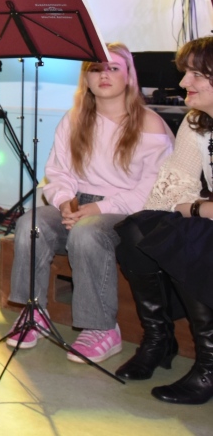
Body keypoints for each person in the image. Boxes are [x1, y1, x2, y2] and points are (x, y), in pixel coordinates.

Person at [5, 43, 173, 363]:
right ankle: (34, 312)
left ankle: (102, 328)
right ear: (86, 79)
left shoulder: (150, 124)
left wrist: (96, 209)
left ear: (129, 77)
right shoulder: (74, 119)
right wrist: (65, 203)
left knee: (87, 232)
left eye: (114, 68)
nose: (104, 75)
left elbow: (154, 190)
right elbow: (59, 173)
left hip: (129, 214)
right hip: (79, 205)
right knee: (31, 223)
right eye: (95, 69)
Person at [115, 36, 213, 405]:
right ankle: (159, 339)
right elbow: (170, 194)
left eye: (196, 75)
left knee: (188, 235)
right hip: (205, 214)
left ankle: (209, 364)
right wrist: (200, 208)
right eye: (186, 73)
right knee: (136, 228)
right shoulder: (196, 122)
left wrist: (196, 209)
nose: (184, 82)